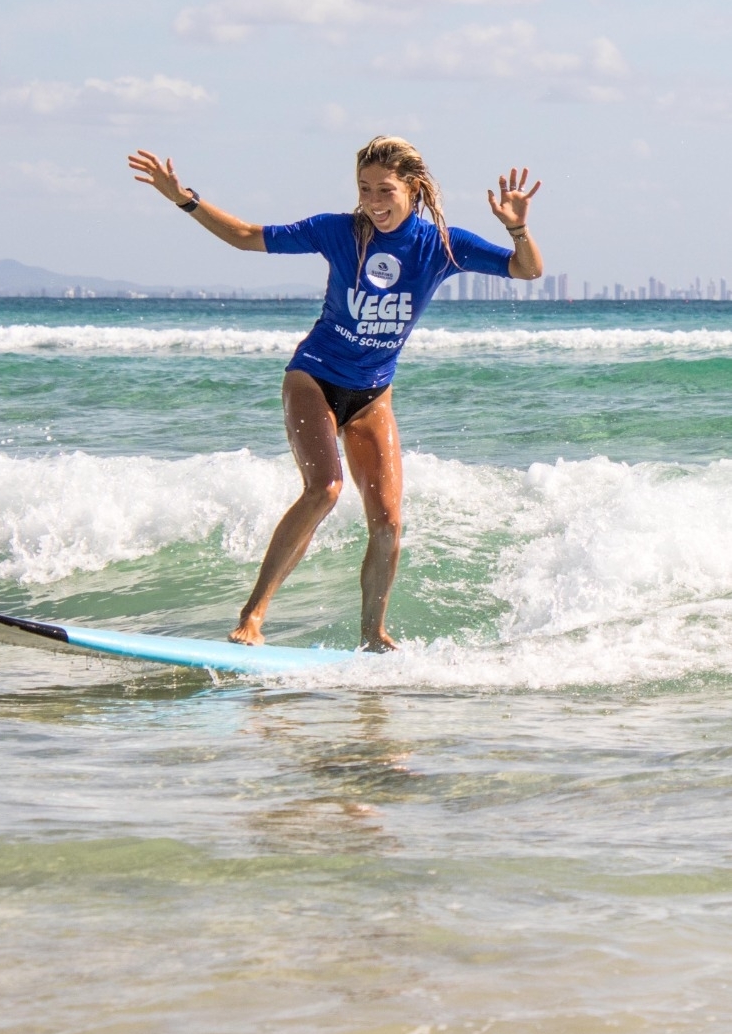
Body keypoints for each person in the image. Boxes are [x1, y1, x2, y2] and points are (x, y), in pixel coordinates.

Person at [128, 137, 542, 651]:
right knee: (324, 488)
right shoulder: (338, 231)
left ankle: (373, 635)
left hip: (373, 393)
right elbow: (244, 236)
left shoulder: (441, 244)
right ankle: (253, 616)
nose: (374, 201)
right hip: (314, 378)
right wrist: (183, 199)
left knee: (388, 522)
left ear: (413, 188)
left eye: (385, 190)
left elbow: (527, 270)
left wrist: (517, 229)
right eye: (365, 189)